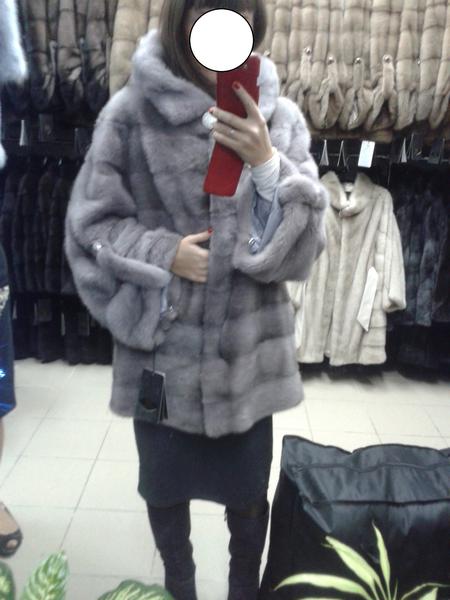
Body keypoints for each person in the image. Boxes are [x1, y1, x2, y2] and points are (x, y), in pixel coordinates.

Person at [64, 1, 328, 598]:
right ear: (182, 19)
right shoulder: (130, 115)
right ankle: (178, 586)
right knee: (163, 489)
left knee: (248, 499)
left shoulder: (279, 117)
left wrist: (267, 165)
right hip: (162, 356)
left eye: (239, 14)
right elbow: (91, 227)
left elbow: (304, 252)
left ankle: (242, 589)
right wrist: (164, 255)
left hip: (246, 364)